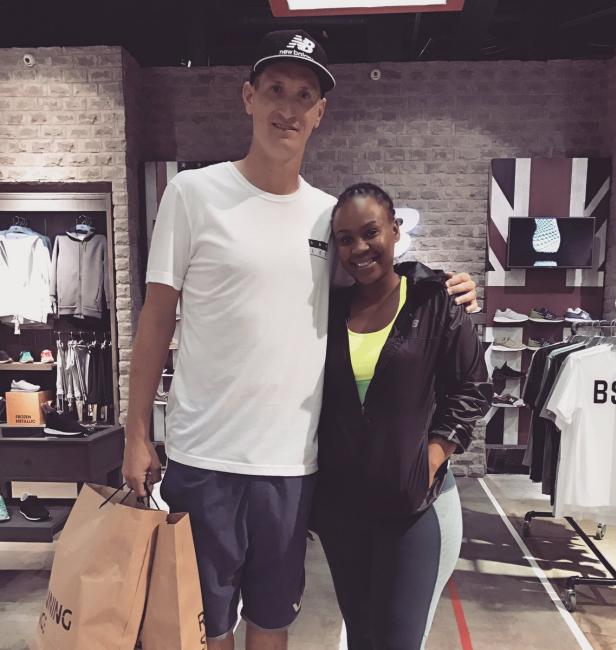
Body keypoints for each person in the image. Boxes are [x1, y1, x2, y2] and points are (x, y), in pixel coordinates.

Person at [122, 30, 480, 650]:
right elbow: (155, 320)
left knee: (272, 623)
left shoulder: (327, 216)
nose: (287, 108)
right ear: (249, 97)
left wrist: (449, 287)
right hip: (203, 458)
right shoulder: (193, 195)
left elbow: (383, 278)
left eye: (304, 96)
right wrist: (134, 434)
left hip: (293, 466)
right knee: (205, 629)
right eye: (275, 90)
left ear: (320, 113)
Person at [313, 182, 489, 650]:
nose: (359, 248)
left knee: (398, 641)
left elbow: (473, 387)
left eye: (370, 232)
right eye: (345, 239)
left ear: (395, 230)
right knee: (362, 638)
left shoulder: (433, 301)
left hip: (409, 508)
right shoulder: (329, 312)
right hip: (342, 512)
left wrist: (432, 455)